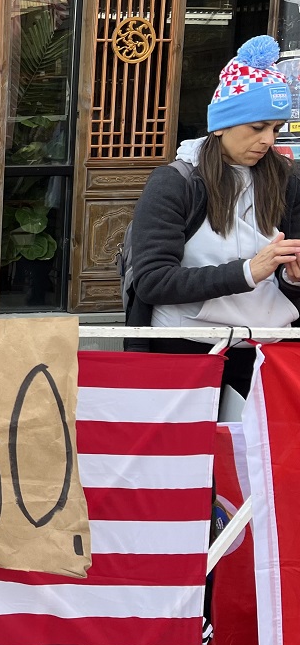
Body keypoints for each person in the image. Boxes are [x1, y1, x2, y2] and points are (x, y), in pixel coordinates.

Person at [125, 34, 300, 396]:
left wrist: (294, 278)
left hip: (267, 351)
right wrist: (247, 272)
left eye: (276, 129)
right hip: (184, 349)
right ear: (219, 125)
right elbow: (152, 281)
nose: (267, 140)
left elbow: (286, 279)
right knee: (185, 451)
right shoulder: (175, 182)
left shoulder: (287, 181)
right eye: (257, 127)